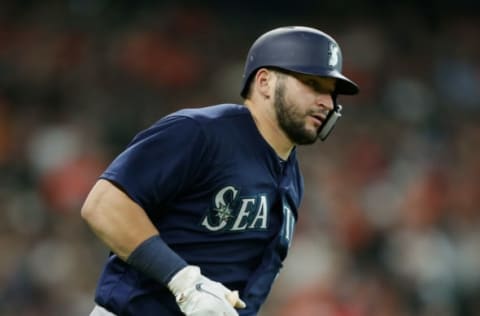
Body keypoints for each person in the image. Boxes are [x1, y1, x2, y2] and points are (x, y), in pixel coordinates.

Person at [81, 25, 359, 316]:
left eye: (332, 93)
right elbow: (104, 204)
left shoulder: (291, 176)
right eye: (313, 84)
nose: (327, 103)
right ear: (264, 82)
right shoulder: (201, 132)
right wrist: (184, 281)